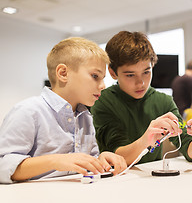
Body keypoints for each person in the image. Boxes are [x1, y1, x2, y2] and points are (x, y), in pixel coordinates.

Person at [0, 37, 127, 184]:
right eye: (95, 76)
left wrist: (100, 159)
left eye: (103, 78)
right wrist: (56, 160)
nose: (103, 85)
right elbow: (3, 166)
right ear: (63, 73)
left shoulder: (85, 117)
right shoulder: (28, 111)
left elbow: (83, 162)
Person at [91, 31, 192, 166]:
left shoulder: (164, 101)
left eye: (146, 72)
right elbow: (117, 157)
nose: (140, 82)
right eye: (130, 75)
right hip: (116, 181)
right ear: (112, 73)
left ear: (153, 66)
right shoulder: (102, 101)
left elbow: (190, 151)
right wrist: (146, 140)